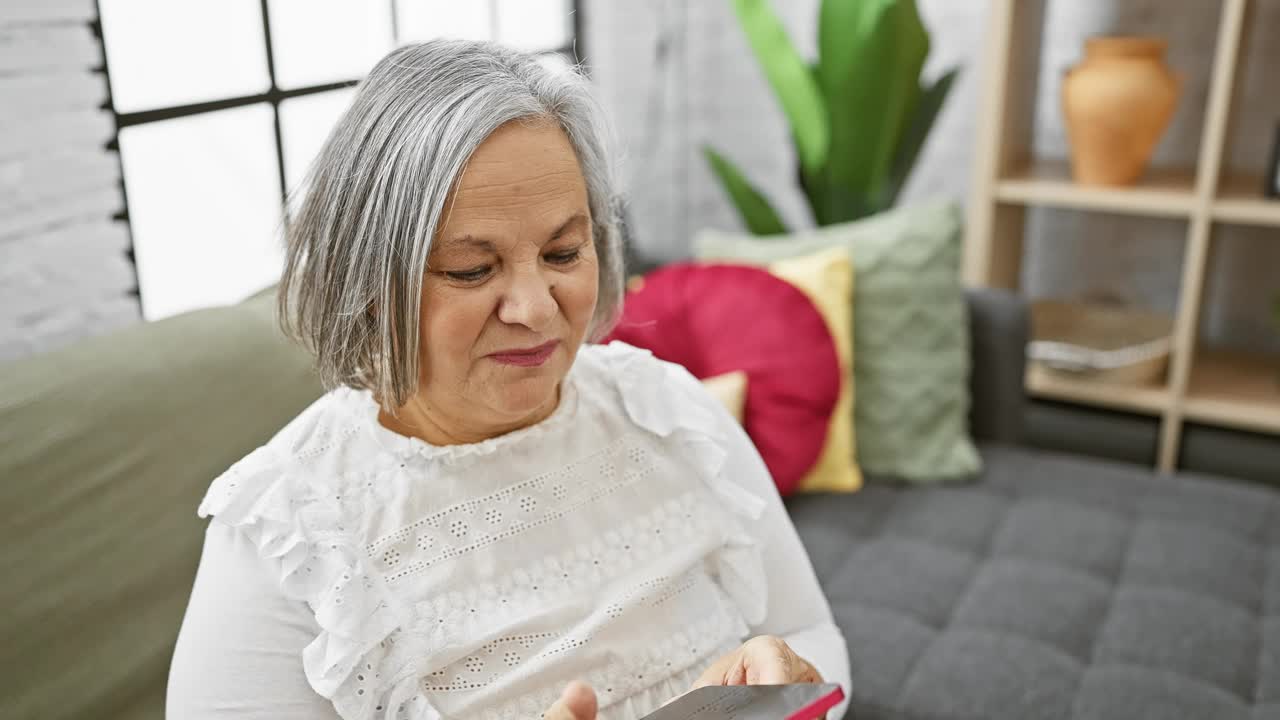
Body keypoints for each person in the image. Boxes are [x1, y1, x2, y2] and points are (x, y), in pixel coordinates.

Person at [166, 39, 849, 720]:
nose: (535, 308)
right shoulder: (289, 533)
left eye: (562, 252)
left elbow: (807, 631)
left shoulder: (670, 413)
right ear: (370, 283)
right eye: (471, 269)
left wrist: (789, 679)